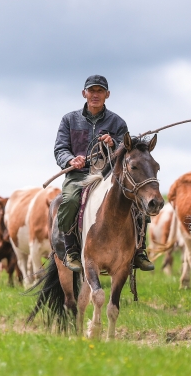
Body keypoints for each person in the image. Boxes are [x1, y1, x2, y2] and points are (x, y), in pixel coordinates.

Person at [54, 75, 154, 272]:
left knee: (136, 202)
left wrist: (114, 144)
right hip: (79, 175)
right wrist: (71, 160)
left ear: (107, 95)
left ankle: (139, 250)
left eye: (100, 91)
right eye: (92, 91)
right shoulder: (69, 120)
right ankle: (71, 250)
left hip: (108, 176)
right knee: (71, 200)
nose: (95, 95)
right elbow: (60, 149)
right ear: (84, 94)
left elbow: (128, 151)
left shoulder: (118, 123)